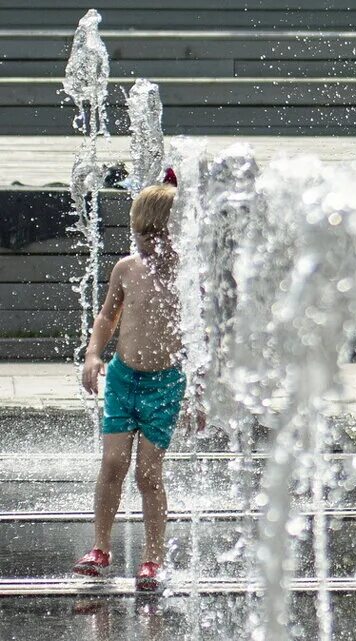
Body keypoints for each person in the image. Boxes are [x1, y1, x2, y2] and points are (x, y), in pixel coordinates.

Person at [72, 183, 191, 591]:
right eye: (142, 234)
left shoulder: (190, 275)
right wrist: (93, 355)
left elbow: (207, 336)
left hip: (165, 385)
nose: (148, 243)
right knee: (112, 464)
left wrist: (202, 393)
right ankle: (100, 547)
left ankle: (152, 558)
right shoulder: (126, 268)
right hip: (124, 379)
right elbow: (108, 317)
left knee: (148, 474)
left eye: (157, 234)